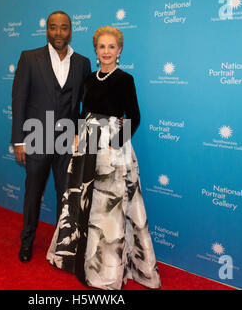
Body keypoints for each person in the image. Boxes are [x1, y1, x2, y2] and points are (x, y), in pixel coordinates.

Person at [46, 26, 161, 290]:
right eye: (102, 47)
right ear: (96, 51)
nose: (106, 51)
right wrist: (77, 134)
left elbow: (135, 117)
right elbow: (83, 112)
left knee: (108, 210)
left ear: (119, 50)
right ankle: (78, 260)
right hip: (86, 146)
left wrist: (114, 144)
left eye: (112, 47)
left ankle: (107, 271)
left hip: (111, 151)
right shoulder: (88, 79)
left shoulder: (125, 79)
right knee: (81, 202)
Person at [11, 11, 91, 263]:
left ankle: (61, 244)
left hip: (68, 139)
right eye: (53, 27)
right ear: (47, 29)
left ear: (71, 31)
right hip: (35, 136)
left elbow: (83, 104)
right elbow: (19, 100)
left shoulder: (82, 62)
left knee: (64, 196)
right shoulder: (29, 58)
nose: (58, 33)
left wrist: (81, 134)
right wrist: (19, 140)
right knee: (33, 193)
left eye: (64, 28)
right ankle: (27, 242)